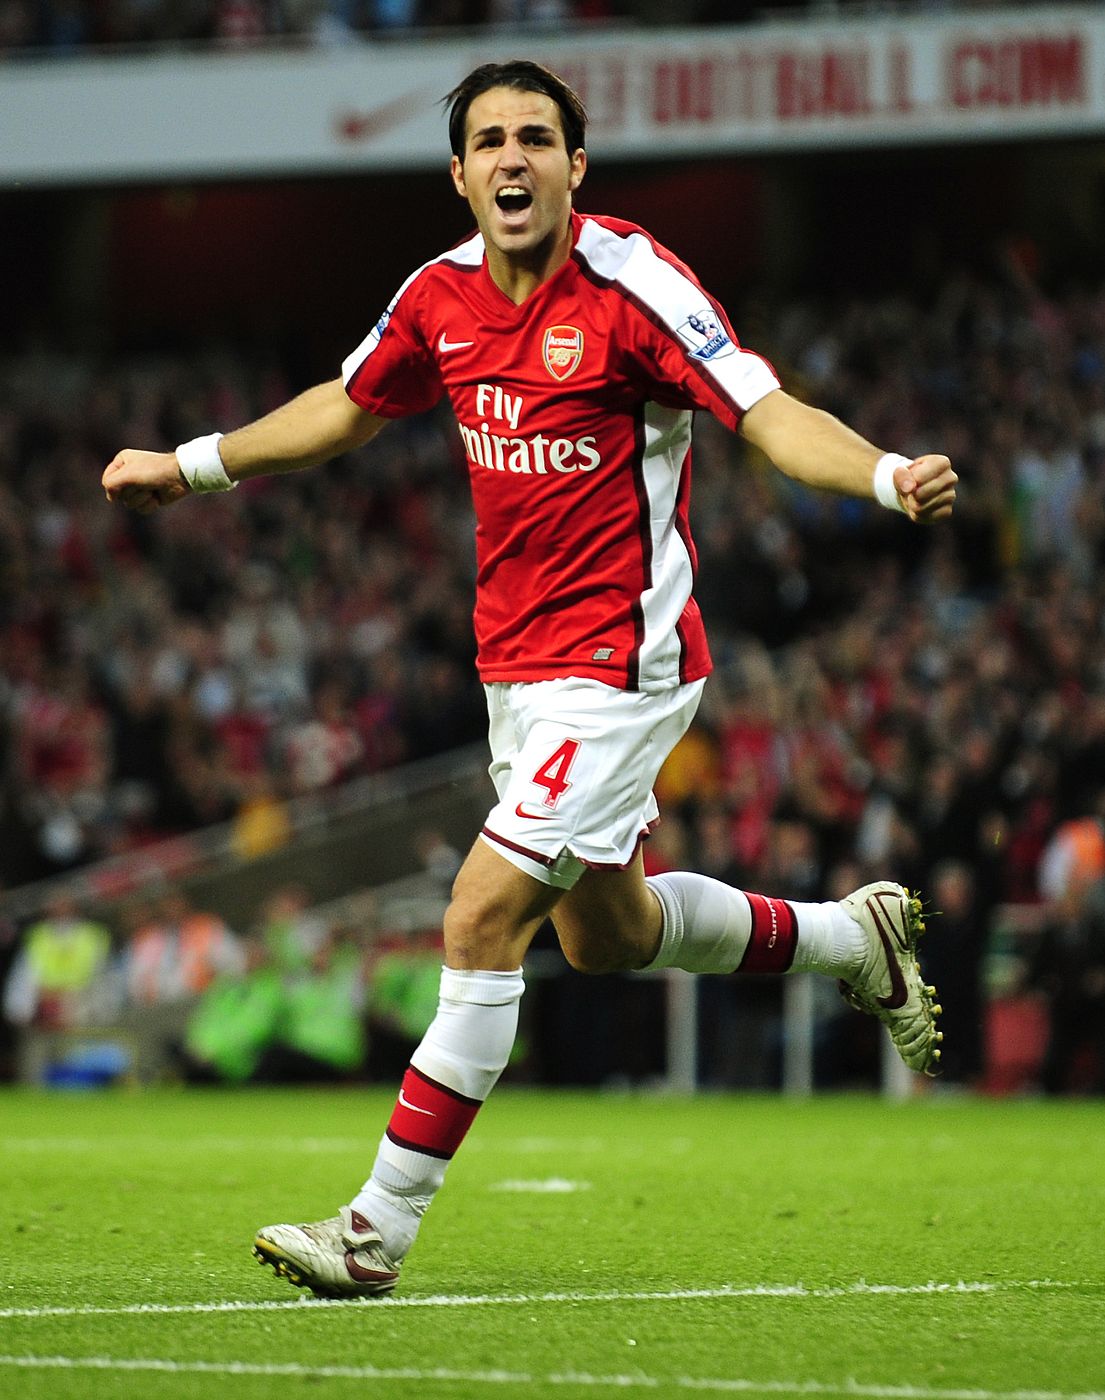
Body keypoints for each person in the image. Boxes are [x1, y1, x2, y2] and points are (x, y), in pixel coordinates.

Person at [102, 59, 956, 1299]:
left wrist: (883, 474)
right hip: (517, 669)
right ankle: (848, 936)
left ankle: (376, 1227)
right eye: (491, 141)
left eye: (537, 138)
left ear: (574, 165)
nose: (514, 158)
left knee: (478, 915)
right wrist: (190, 466)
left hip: (622, 665)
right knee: (608, 934)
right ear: (459, 174)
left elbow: (765, 412)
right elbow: (347, 406)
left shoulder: (633, 286)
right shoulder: (437, 296)